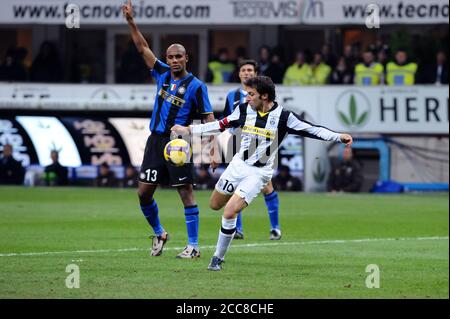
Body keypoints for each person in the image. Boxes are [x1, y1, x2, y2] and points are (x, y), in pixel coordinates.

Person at [172, 76, 353, 271]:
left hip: (258, 173)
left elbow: (312, 130)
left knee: (229, 211)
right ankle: (236, 207)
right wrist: (189, 129)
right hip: (237, 166)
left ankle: (217, 258)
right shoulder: (243, 110)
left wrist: (338, 136)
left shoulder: (284, 117)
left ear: (265, 96)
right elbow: (220, 124)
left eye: (251, 94)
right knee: (214, 205)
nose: (247, 98)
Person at [122, 0, 216, 259]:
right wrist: (131, 21)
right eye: (170, 57)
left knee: (185, 192)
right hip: (156, 140)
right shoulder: (161, 73)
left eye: (178, 56)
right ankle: (160, 233)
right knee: (143, 193)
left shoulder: (197, 86)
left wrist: (214, 150)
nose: (174, 60)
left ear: (187, 58)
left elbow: (210, 118)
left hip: (178, 144)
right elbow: (142, 47)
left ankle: (194, 246)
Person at [222, 59, 282, 241]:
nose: (247, 73)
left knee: (266, 186)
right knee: (235, 185)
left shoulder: (263, 95)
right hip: (237, 142)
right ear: (239, 74)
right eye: (243, 70)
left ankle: (275, 227)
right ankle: (237, 229)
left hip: (260, 144)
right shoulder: (232, 96)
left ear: (255, 74)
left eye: (250, 70)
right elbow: (225, 121)